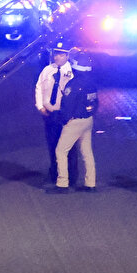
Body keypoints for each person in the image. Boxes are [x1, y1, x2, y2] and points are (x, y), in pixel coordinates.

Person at [50, 48, 98, 193]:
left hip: (74, 122)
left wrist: (63, 120)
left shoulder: (73, 84)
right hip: (88, 120)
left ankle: (62, 184)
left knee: (60, 151)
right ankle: (91, 183)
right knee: (87, 152)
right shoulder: (92, 83)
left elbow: (68, 106)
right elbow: (97, 103)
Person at [37, 41, 77, 186]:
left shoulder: (72, 72)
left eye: (60, 55)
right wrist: (41, 107)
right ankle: (54, 172)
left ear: (67, 56)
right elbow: (38, 88)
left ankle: (70, 176)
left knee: (68, 147)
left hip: (63, 114)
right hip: (49, 113)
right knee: (52, 145)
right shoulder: (47, 70)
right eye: (55, 54)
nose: (57, 57)